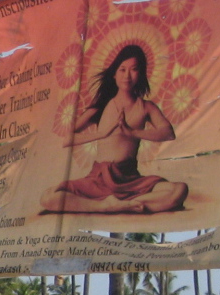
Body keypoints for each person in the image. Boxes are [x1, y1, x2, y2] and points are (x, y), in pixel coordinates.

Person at [41, 44, 189, 215]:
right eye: (122, 69)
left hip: (130, 178)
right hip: (99, 179)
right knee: (48, 197)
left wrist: (133, 133)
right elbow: (67, 139)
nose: (127, 76)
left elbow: (168, 133)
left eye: (134, 70)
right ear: (114, 74)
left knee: (179, 190)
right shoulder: (101, 107)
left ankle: (124, 204)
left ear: (140, 74)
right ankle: (105, 206)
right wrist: (101, 134)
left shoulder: (146, 107)